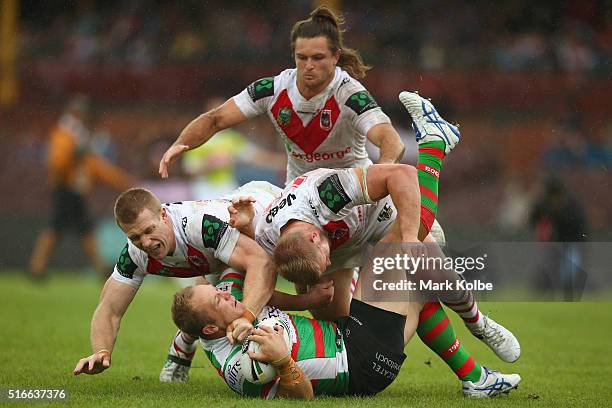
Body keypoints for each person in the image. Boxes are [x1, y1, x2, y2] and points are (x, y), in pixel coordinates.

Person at [170, 187, 522, 399]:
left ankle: (475, 377)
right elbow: (303, 396)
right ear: (212, 330)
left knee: (415, 278)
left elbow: (248, 268)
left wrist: (246, 225)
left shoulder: (228, 306)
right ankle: (434, 147)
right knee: (404, 233)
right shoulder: (245, 366)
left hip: (350, 334)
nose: (226, 294)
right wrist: (283, 362)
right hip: (361, 362)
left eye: (219, 292)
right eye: (218, 300)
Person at [72, 185, 333, 378]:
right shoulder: (135, 254)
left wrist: (249, 315)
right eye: (135, 237)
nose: (146, 243)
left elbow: (261, 262)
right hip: (229, 255)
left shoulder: (200, 226)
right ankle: (182, 347)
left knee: (326, 301)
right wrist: (102, 351)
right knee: (211, 307)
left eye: (150, 230)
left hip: (270, 224)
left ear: (163, 215)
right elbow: (109, 309)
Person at [158, 6, 405, 185]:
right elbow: (215, 119)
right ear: (294, 55)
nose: (309, 65)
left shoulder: (350, 94)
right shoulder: (272, 89)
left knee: (421, 236)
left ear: (335, 57)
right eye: (302, 58)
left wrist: (379, 176)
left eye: (318, 58)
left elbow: (390, 140)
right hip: (301, 193)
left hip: (353, 188)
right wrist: (179, 145)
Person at [29, 95, 133, 281]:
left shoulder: (75, 135)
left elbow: (93, 165)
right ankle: (37, 268)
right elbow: (57, 163)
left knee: (77, 229)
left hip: (71, 190)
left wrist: (122, 181)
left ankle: (39, 268)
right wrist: (74, 155)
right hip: (66, 189)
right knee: (62, 229)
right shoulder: (66, 134)